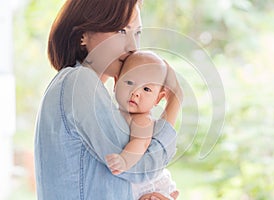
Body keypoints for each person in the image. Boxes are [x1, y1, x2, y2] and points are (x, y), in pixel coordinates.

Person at [34, 0, 182, 199]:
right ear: (83, 36)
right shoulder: (79, 81)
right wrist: (175, 101)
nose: (132, 46)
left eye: (137, 33)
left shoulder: (80, 88)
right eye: (121, 31)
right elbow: (138, 168)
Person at [105, 51, 180, 200]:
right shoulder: (115, 112)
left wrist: (124, 160)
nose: (136, 92)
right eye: (130, 82)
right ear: (116, 82)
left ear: (158, 99)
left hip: (149, 185)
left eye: (146, 89)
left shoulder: (141, 119)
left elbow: (141, 142)